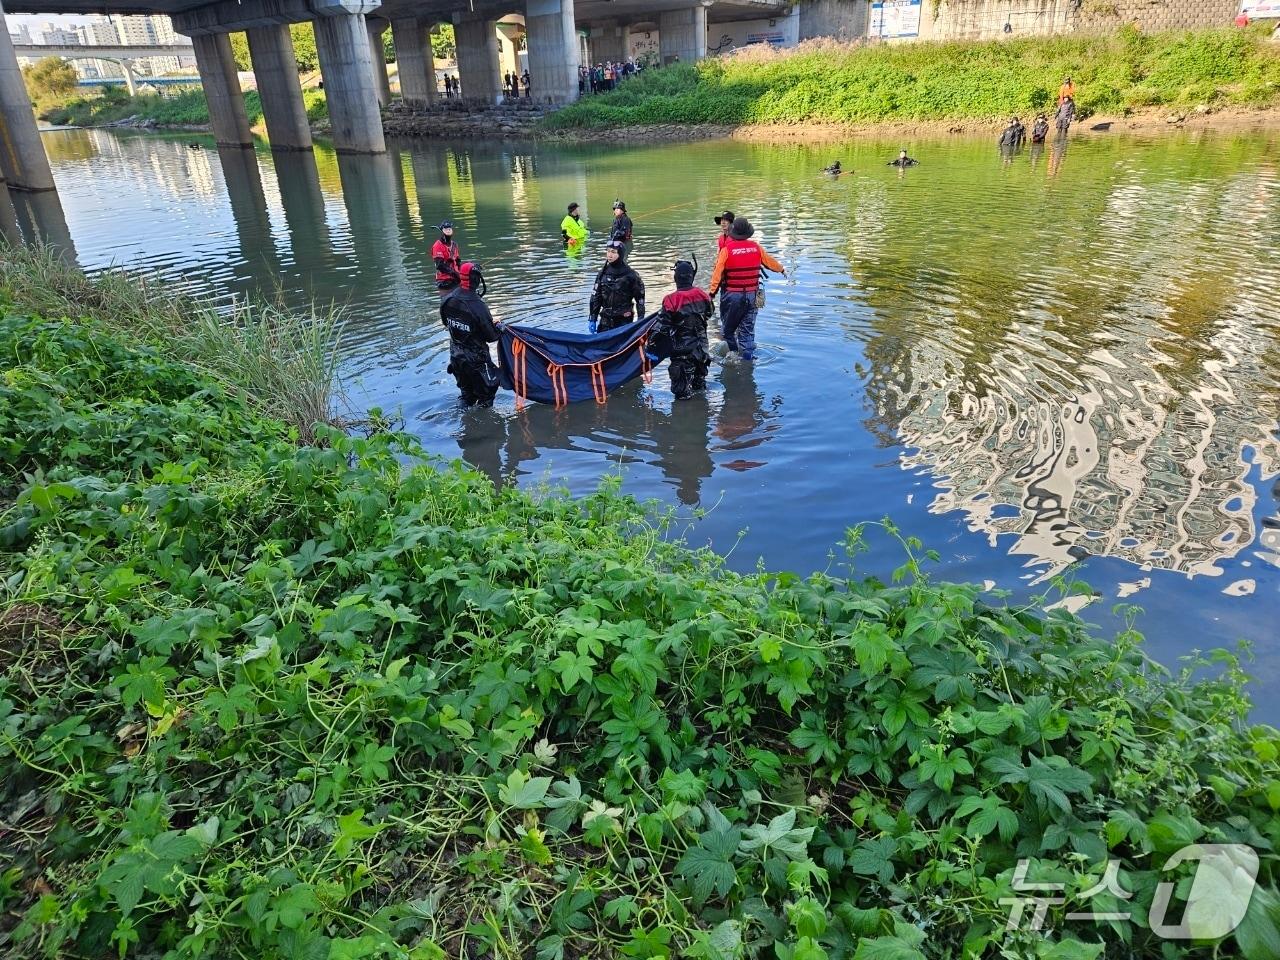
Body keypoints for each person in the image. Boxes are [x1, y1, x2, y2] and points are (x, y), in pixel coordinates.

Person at [707, 217, 785, 362]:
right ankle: (748, 357)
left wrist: (711, 294)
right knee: (747, 331)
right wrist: (782, 269)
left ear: (733, 233)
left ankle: (734, 355)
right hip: (752, 296)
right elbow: (770, 263)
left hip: (732, 297)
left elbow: (717, 275)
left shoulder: (726, 250)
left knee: (728, 331)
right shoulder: (756, 247)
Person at [440, 262, 502, 408]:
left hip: (456, 358)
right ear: (477, 279)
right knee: (486, 398)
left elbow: (446, 323)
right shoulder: (478, 305)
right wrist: (499, 327)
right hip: (477, 361)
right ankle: (484, 429)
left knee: (466, 395)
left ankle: (465, 421)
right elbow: (491, 336)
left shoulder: (447, 300)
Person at [657, 258, 713, 401]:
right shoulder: (703, 295)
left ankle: (683, 418)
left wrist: (651, 348)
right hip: (701, 350)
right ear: (691, 277)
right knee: (700, 388)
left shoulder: (670, 300)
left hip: (681, 351)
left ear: (676, 278)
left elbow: (662, 327)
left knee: (681, 395)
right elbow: (709, 313)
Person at [589, 240, 645, 333]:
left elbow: (640, 300)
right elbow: (596, 297)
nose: (609, 255)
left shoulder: (631, 275)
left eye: (613, 252)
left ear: (620, 254)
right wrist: (593, 318)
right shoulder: (602, 274)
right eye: (608, 251)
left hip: (623, 321)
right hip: (605, 321)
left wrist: (640, 320)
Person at [432, 219, 462, 292]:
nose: (448, 230)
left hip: (456, 279)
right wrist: (455, 274)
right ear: (442, 231)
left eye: (449, 228)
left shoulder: (454, 245)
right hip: (444, 280)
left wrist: (463, 273)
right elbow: (440, 266)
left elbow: (458, 262)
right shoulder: (437, 246)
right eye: (445, 229)